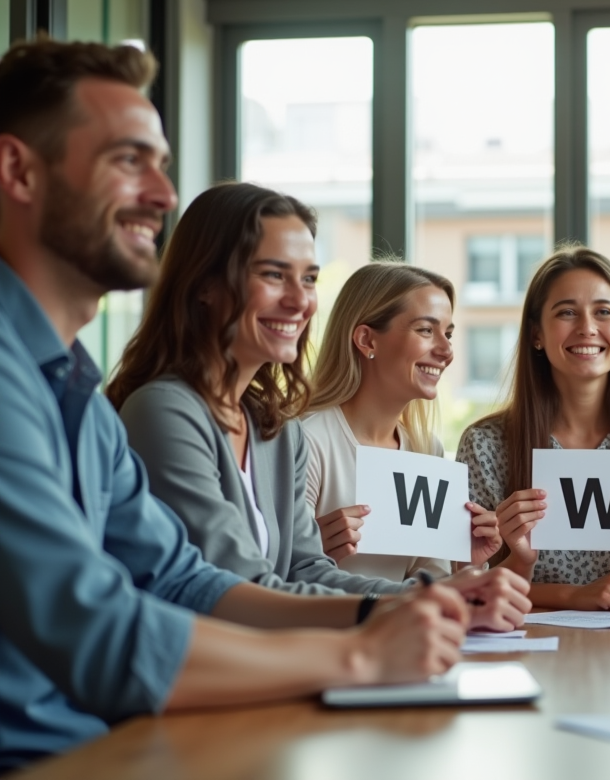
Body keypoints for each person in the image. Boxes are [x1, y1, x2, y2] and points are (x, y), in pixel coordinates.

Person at [0, 38, 469, 772]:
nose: (160, 194)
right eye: (128, 160)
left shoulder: (81, 402)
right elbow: (100, 632)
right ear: (17, 170)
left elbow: (184, 579)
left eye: (161, 165)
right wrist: (356, 655)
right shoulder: (56, 390)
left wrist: (387, 610)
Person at [107, 181, 528, 633]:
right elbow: (236, 588)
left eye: (308, 278)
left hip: (269, 666)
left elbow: (307, 571)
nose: (300, 300)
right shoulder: (163, 411)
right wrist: (408, 606)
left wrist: (443, 595)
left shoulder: (275, 429)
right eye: (273, 275)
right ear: (205, 285)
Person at [456, 246, 610, 610]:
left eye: (603, 312)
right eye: (567, 312)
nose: (587, 328)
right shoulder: (485, 445)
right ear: (536, 333)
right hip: (523, 644)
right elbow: (470, 586)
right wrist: (568, 593)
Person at [303, 262, 502, 579]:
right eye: (426, 330)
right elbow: (272, 573)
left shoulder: (427, 451)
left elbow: (430, 584)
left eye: (448, 333)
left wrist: (467, 565)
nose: (447, 350)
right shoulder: (307, 440)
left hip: (406, 625)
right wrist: (309, 551)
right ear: (367, 340)